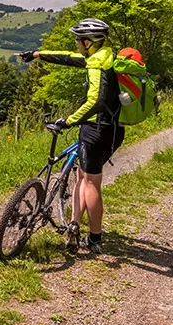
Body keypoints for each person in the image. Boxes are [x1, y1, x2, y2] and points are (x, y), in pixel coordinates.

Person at [17, 18, 124, 254]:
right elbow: (67, 57)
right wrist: (37, 54)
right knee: (83, 174)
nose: (76, 44)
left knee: (91, 182)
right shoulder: (107, 56)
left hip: (95, 129)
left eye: (78, 40)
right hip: (113, 129)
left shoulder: (96, 64)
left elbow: (95, 100)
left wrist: (68, 120)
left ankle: (94, 239)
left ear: (88, 42)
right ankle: (75, 224)